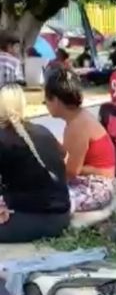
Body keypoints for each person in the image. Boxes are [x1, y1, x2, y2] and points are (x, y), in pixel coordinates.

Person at [0, 84, 71, 242]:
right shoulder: (42, 130)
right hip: (61, 217)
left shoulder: (3, 138)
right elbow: (63, 157)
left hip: (30, 220)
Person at [44, 70, 116, 213]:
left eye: (46, 99)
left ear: (56, 100)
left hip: (96, 188)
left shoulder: (77, 126)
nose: (45, 104)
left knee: (41, 199)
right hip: (96, 183)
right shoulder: (79, 118)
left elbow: (70, 172)